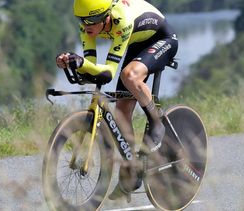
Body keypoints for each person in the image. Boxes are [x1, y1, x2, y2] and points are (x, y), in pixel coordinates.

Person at [56, 0, 178, 202]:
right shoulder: (87, 26)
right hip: (136, 42)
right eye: (82, 20)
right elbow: (92, 68)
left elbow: (108, 73)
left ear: (107, 16)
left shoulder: (122, 21)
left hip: (162, 39)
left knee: (129, 76)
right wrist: (71, 62)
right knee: (121, 112)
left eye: (93, 20)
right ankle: (132, 170)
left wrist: (81, 62)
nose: (87, 26)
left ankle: (157, 122)